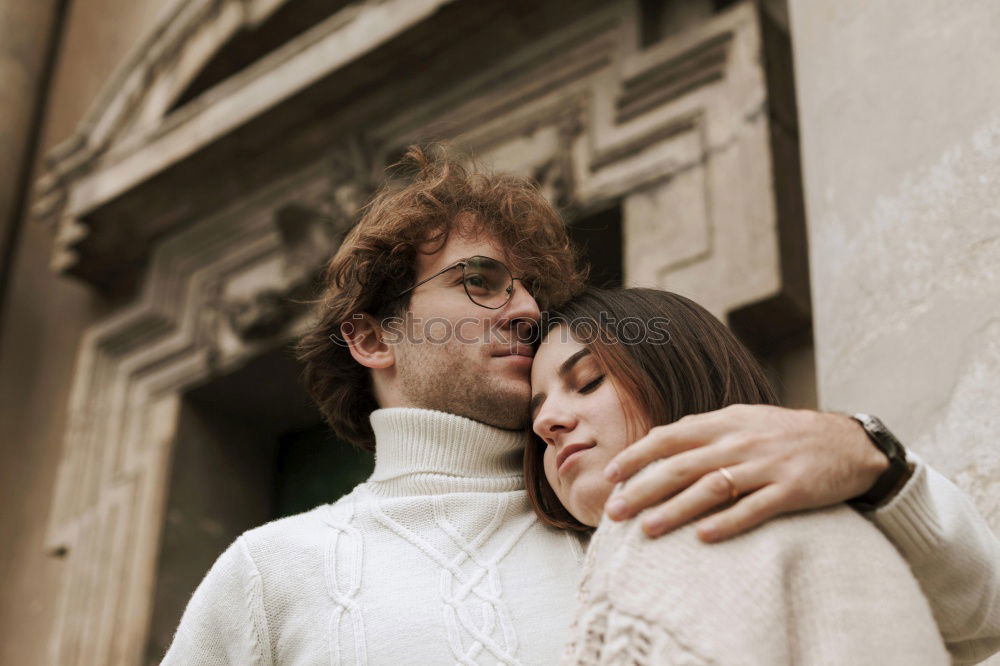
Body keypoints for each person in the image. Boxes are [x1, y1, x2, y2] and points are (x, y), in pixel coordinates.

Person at [162, 146, 1000, 664]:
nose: (524, 308)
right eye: (480, 280)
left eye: (528, 289)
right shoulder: (270, 572)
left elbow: (973, 625)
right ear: (372, 339)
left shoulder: (642, 509)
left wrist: (876, 461)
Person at [528, 287, 954, 663]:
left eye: (588, 382)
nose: (546, 421)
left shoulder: (809, 532)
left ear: (679, 370)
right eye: (535, 411)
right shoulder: (580, 582)